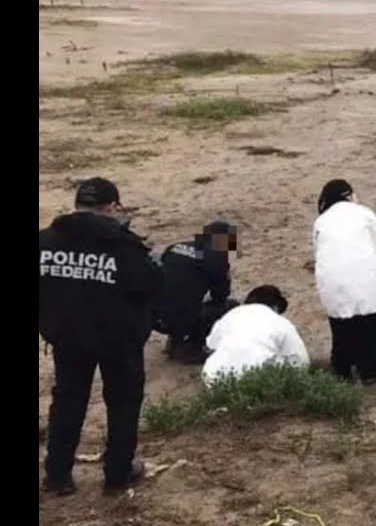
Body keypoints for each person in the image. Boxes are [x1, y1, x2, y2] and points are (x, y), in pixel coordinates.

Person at [40, 178, 162, 496]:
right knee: (123, 404)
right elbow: (151, 284)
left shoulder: (45, 241)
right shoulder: (125, 246)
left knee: (67, 401)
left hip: (67, 337)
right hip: (119, 341)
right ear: (111, 207)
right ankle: (119, 472)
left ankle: (57, 475)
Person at [313, 179, 376, 384]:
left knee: (340, 328)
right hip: (364, 277)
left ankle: (342, 370)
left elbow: (319, 255)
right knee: (368, 326)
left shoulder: (321, 221)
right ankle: (370, 371)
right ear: (348, 195)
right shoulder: (365, 214)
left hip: (332, 282)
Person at [154, 221, 237, 365]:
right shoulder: (216, 257)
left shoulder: (174, 247)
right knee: (229, 308)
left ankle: (175, 340)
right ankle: (192, 347)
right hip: (178, 317)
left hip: (153, 315)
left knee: (181, 298)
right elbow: (221, 295)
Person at [201, 285, 309, 387]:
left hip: (214, 378)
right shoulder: (281, 323)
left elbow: (211, 345)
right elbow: (301, 361)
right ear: (275, 307)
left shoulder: (231, 315)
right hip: (257, 382)